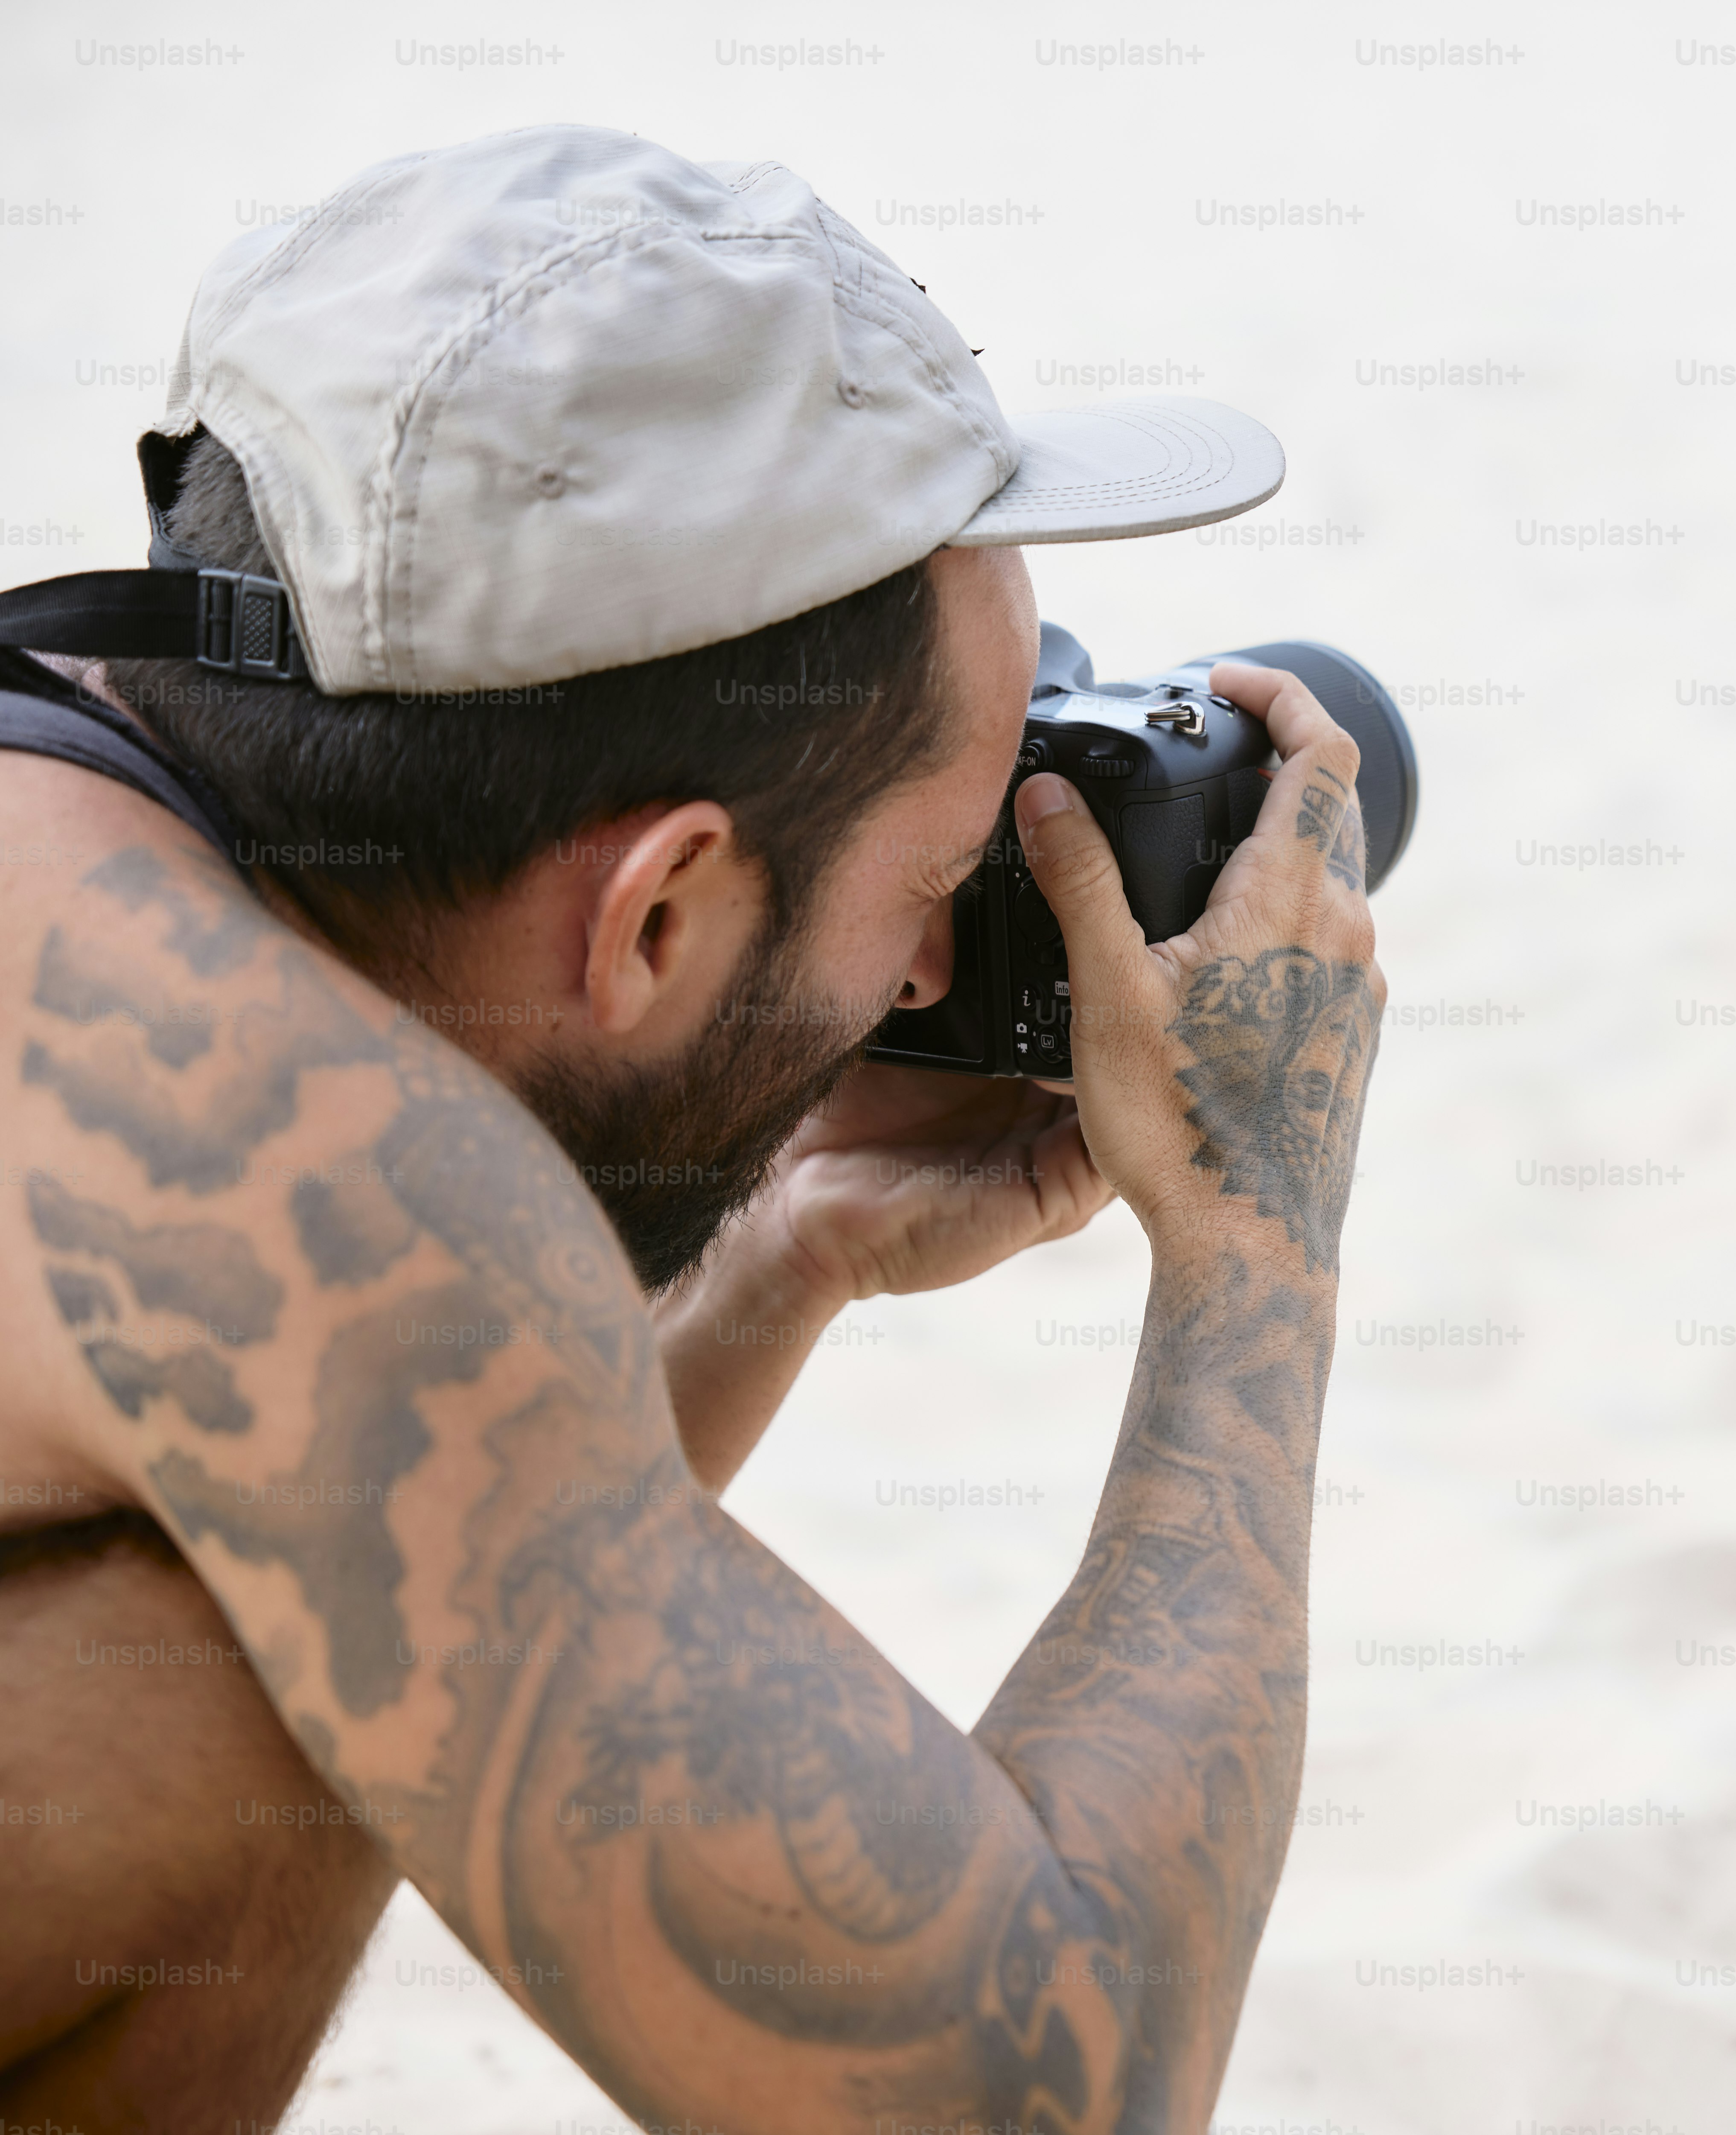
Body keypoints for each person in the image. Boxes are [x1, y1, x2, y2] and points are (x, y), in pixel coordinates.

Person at [0, 125, 1381, 2135]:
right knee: (223, 1703)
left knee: (266, 1657)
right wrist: (1255, 1249)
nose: (933, 972)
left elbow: (466, 1568)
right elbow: (1030, 2094)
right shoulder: (282, 1153)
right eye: (926, 882)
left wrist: (786, 1240)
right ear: (654, 913)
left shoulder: (94, 832)